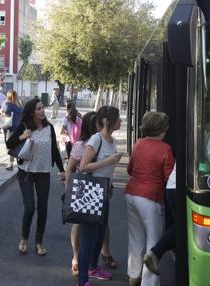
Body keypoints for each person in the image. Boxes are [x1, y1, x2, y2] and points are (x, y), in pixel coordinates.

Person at [6, 98, 65, 256]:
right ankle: (24, 239)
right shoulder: (24, 126)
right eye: (39, 109)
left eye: (42, 108)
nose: (42, 111)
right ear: (32, 112)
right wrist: (22, 136)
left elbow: (54, 150)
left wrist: (62, 169)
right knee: (30, 207)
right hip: (26, 172)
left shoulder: (49, 128)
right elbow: (9, 144)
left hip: (44, 172)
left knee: (42, 208)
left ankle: (39, 242)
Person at [125, 111, 174, 286]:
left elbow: (130, 170)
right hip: (151, 198)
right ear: (161, 129)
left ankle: (133, 275)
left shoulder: (139, 143)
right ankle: (149, 283)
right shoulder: (165, 149)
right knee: (153, 242)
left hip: (131, 193)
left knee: (135, 237)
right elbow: (170, 177)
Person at [77, 105, 123, 286]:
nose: (120, 121)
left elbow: (107, 170)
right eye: (118, 118)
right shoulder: (96, 140)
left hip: (104, 192)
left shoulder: (113, 142)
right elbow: (83, 167)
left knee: (100, 233)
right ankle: (82, 280)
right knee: (89, 236)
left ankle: (92, 267)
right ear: (106, 121)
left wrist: (110, 186)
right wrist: (108, 161)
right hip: (91, 192)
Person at [64, 111, 98, 276]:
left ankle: (101, 254)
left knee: (101, 223)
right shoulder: (81, 145)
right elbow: (70, 168)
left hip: (100, 188)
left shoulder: (102, 142)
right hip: (82, 188)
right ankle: (76, 257)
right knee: (79, 223)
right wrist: (68, 191)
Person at [143, 163, 176, 279]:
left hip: (171, 186)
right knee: (181, 225)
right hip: (177, 187)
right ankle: (156, 252)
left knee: (174, 224)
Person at [1, 90, 23, 171]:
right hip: (20, 128)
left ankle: (10, 164)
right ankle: (19, 162)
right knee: (18, 144)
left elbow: (6, 114)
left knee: (10, 145)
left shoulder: (8, 104)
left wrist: (2, 113)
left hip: (11, 128)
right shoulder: (20, 105)